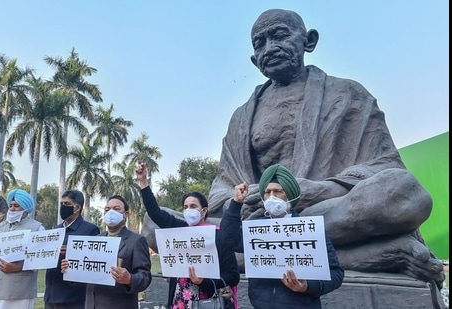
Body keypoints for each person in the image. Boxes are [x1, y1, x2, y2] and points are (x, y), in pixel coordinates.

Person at [207, 8, 444, 286]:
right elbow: (220, 189)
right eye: (260, 43)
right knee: (156, 227)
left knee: (404, 192)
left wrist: (314, 190)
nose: (269, 48)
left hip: (325, 210)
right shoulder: (241, 116)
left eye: (279, 35)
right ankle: (379, 254)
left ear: (309, 41)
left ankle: (250, 258)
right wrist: (244, 198)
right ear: (254, 59)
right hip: (258, 219)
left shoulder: (348, 94)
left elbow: (385, 168)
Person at [221, 164, 344, 308]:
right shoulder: (256, 229)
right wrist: (236, 203)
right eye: (267, 192)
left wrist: (307, 286)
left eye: (278, 191)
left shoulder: (309, 229)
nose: (271, 197)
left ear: (290, 194)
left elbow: (336, 273)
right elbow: (227, 240)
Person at [136, 163, 240, 309]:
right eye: (185, 207)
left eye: (193, 206)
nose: (188, 210)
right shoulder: (180, 230)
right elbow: (155, 213)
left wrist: (204, 282)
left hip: (210, 302)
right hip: (180, 301)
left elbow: (233, 276)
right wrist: (143, 182)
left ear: (204, 211)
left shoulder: (218, 236)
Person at [61, 195, 152, 309]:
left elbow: (145, 277)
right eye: (107, 210)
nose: (111, 213)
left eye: (116, 209)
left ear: (125, 214)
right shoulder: (95, 240)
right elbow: (88, 273)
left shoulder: (136, 241)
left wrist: (129, 279)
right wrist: (72, 269)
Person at [44, 189, 100, 309]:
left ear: (77, 208)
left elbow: (94, 259)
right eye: (62, 204)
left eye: (67, 204)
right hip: (51, 293)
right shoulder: (56, 230)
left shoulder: (90, 230)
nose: (63, 207)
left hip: (73, 296)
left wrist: (74, 252)